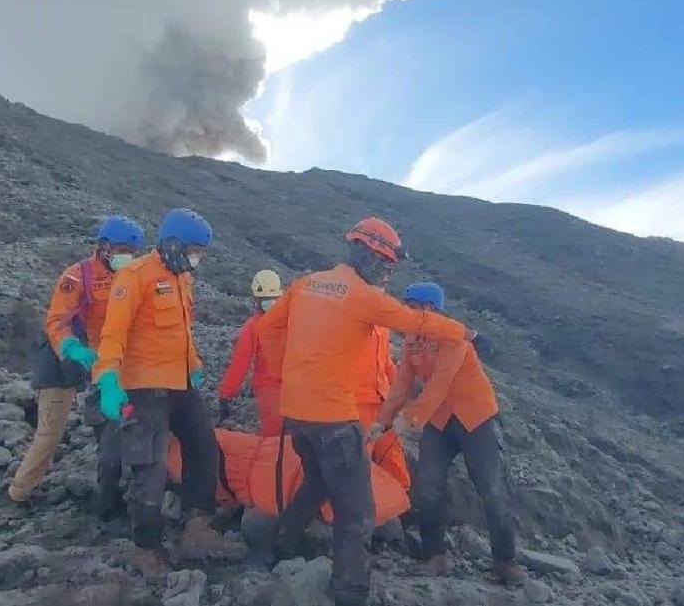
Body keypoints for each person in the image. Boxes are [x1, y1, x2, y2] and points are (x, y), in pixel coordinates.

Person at [256, 217, 485, 606]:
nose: (386, 272)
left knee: (315, 484)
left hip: (297, 413)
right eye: (385, 264)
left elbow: (267, 330)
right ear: (367, 253)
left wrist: (288, 374)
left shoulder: (304, 284)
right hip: (334, 419)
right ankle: (351, 593)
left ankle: (275, 550)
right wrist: (464, 333)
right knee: (357, 513)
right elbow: (417, 321)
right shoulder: (363, 296)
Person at [92, 208, 233, 575]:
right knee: (149, 466)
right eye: (193, 250)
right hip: (143, 385)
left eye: (200, 252)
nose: (196, 258)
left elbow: (182, 333)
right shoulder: (134, 276)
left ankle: (197, 522)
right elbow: (114, 333)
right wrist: (107, 378)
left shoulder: (183, 277)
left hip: (180, 382)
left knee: (204, 446)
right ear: (172, 245)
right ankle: (146, 546)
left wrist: (196, 367)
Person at [371, 282, 527, 587]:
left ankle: (504, 561)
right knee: (429, 487)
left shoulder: (454, 337)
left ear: (430, 310)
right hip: (439, 422)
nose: (408, 312)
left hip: (475, 418)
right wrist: (382, 420)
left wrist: (409, 419)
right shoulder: (411, 341)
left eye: (412, 307)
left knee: (491, 489)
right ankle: (435, 556)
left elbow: (439, 385)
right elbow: (402, 385)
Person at [9, 215, 144, 513]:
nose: (127, 257)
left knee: (116, 422)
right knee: (50, 432)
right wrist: (71, 348)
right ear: (105, 246)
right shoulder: (76, 276)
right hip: (65, 360)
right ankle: (18, 493)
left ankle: (111, 485)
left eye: (132, 252)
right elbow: (57, 320)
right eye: (122, 249)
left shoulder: (130, 275)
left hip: (105, 360)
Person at [217, 269, 284, 436]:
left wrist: (225, 395)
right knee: (282, 434)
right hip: (283, 387)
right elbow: (240, 363)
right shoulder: (292, 319)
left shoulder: (255, 326)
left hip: (281, 387)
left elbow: (240, 364)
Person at [353, 326, 410, 491]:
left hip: (383, 403)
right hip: (357, 403)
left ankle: (399, 498)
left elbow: (386, 363)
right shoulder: (348, 323)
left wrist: (399, 393)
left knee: (391, 451)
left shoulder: (382, 327)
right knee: (359, 458)